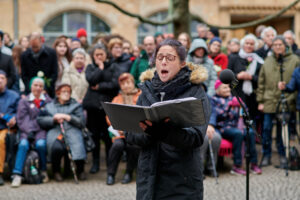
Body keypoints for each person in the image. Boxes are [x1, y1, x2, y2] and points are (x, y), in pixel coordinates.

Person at [126, 39, 210, 200]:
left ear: (182, 63)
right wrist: (150, 132)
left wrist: (165, 132)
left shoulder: (196, 93)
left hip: (182, 180)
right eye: (159, 57)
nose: (163, 62)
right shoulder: (146, 91)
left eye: (170, 58)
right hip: (149, 178)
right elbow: (131, 135)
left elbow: (196, 137)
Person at [257, 36, 300, 168]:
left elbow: (297, 84)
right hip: (269, 100)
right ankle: (266, 155)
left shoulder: (294, 60)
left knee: (283, 130)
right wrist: (260, 100)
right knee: (266, 129)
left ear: (285, 46)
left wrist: (290, 99)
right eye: (274, 45)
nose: (277, 47)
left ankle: (283, 155)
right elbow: (261, 82)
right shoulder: (268, 61)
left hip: (286, 100)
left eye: (280, 44)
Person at [211, 80, 262, 175]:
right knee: (238, 134)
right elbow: (217, 116)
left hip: (237, 126)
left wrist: (242, 105)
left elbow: (245, 113)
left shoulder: (233, 98)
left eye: (228, 87)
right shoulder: (214, 100)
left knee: (250, 132)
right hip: (223, 128)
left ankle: (253, 163)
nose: (228, 89)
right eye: (224, 87)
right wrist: (229, 107)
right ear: (217, 90)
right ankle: (237, 165)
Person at [37, 83, 87, 181]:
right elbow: (40, 120)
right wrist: (53, 119)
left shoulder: (76, 105)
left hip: (72, 131)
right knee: (56, 147)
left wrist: (68, 117)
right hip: (56, 131)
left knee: (77, 145)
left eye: (68, 92)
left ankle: (80, 170)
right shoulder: (49, 106)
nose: (67, 94)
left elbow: (81, 121)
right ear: (58, 93)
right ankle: (56, 171)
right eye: (64, 91)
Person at [82, 43, 118, 174]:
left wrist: (100, 86)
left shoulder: (113, 67)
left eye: (101, 55)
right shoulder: (90, 67)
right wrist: (100, 68)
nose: (99, 57)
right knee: (95, 136)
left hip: (107, 108)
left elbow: (114, 84)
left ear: (106, 55)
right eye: (96, 55)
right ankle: (95, 163)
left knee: (107, 136)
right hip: (93, 108)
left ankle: (110, 163)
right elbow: (91, 80)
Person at [11, 77, 51, 187]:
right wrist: (29, 131)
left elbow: (48, 118)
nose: (38, 88)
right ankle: (17, 174)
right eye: (35, 85)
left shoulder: (48, 101)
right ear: (31, 87)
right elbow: (21, 119)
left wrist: (38, 128)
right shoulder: (24, 101)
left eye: (40, 86)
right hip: (26, 131)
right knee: (23, 145)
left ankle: (43, 171)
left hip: (41, 132)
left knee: (41, 145)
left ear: (43, 88)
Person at [106, 73, 141, 185]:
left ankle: (128, 173)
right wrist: (118, 127)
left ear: (133, 83)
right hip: (119, 133)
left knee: (133, 146)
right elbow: (109, 116)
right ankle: (111, 174)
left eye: (128, 82)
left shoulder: (140, 96)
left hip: (135, 133)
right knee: (117, 146)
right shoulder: (117, 99)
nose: (126, 86)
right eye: (123, 84)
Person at [228, 34, 264, 121]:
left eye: (251, 44)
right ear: (243, 44)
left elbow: (262, 79)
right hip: (237, 94)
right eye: (247, 43)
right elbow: (228, 76)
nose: (249, 46)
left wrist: (251, 77)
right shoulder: (234, 58)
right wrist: (238, 76)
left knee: (252, 120)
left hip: (253, 96)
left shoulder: (259, 60)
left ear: (254, 46)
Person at [21, 33, 58, 97]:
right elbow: (24, 75)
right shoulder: (24, 55)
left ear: (41, 42)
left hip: (48, 91)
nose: (34, 49)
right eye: (32, 47)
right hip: (30, 91)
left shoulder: (51, 53)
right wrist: (31, 87)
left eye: (36, 47)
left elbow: (54, 73)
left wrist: (45, 87)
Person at [0, 70, 19, 186]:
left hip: (6, 128)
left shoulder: (14, 96)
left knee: (0, 141)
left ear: (6, 81)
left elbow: (20, 112)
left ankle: (0, 172)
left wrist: (14, 119)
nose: (0, 80)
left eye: (2, 78)